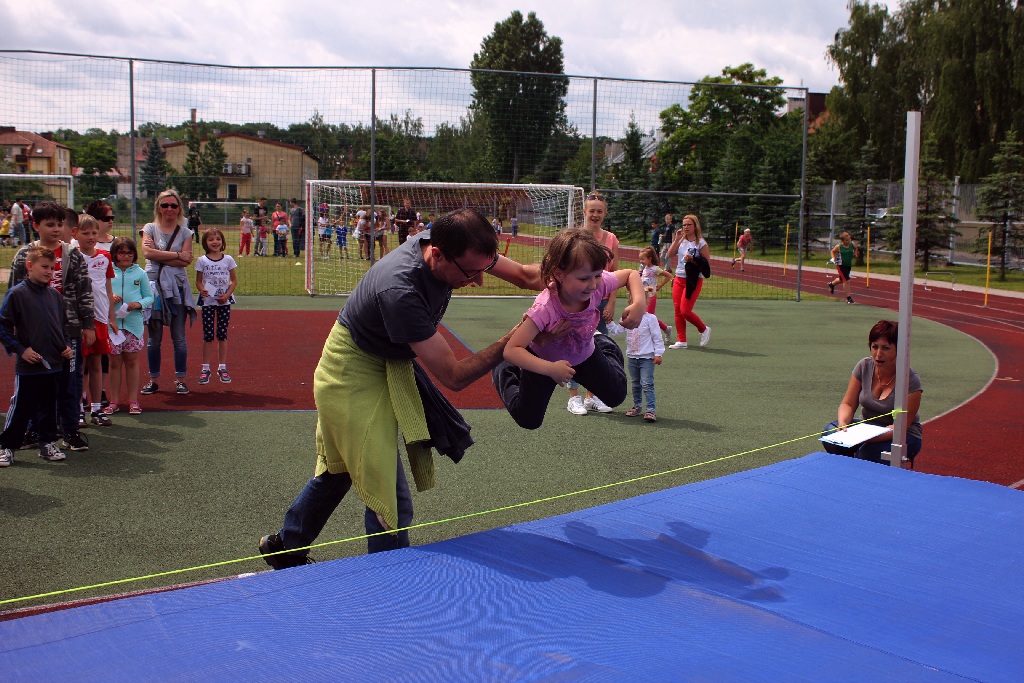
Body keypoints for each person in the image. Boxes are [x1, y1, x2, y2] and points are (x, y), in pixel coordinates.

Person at [258, 208, 545, 568]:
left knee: (340, 469)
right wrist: (518, 339)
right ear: (436, 254)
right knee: (388, 497)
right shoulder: (400, 289)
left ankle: (286, 546)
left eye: (482, 269)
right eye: (470, 273)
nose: (477, 280)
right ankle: (391, 581)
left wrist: (592, 278)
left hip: (384, 360)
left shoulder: (455, 246)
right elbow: (454, 375)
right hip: (350, 373)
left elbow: (524, 275)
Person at [492, 227, 645, 430]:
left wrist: (639, 304)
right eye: (584, 278)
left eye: (597, 275)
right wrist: (550, 369)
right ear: (558, 273)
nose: (592, 285)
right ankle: (501, 369)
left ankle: (603, 343)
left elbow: (630, 274)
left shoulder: (598, 285)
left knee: (616, 395)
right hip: (545, 361)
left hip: (584, 353)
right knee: (528, 419)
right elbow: (512, 350)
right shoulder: (545, 308)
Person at [8, 202, 95, 453]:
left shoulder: (72, 255)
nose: (56, 229)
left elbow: (84, 291)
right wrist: (17, 332)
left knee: (69, 382)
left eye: (59, 224)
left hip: (67, 330)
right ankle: (36, 430)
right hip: (35, 332)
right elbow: (15, 293)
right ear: (35, 226)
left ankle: (70, 430)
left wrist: (87, 324)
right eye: (50, 225)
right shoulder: (24, 256)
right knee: (36, 383)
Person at [0, 246, 75, 466]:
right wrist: (21, 349)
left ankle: (47, 443)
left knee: (49, 406)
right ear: (30, 266)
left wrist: (67, 346)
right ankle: (7, 447)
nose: (49, 272)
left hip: (54, 363)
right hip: (29, 364)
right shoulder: (17, 294)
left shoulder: (54, 296)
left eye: (52, 268)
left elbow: (64, 327)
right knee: (21, 406)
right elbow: (3, 326)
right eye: (44, 267)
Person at [822, 319, 923, 466]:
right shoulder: (864, 366)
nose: (878, 354)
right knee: (830, 433)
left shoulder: (911, 381)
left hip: (902, 435)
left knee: (866, 453)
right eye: (875, 347)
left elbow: (900, 427)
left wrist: (865, 438)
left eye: (886, 348)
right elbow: (848, 404)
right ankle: (849, 473)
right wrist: (843, 423)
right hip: (867, 429)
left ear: (899, 350)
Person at [566, 192, 621, 415]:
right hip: (578, 301)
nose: (595, 215)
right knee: (574, 346)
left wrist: (612, 303)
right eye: (592, 211)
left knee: (598, 348)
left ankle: (592, 396)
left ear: (605, 213)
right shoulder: (576, 236)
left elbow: (615, 273)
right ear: (584, 212)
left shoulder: (611, 239)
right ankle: (574, 397)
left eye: (599, 211)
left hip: (601, 302)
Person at [141, 189, 195, 397]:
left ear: (179, 208)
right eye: (165, 205)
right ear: (158, 208)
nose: (169, 209)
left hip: (177, 288)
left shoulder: (185, 231)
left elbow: (187, 260)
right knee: (154, 338)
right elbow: (147, 253)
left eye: (173, 205)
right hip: (153, 287)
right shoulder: (149, 228)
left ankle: (180, 379)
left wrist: (159, 255)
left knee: (179, 337)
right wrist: (177, 255)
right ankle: (153, 379)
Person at [74, 215, 118, 427]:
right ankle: (79, 408)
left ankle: (97, 409)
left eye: (94, 233)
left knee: (97, 364)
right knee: (80, 365)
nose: (91, 237)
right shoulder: (72, 257)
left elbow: (108, 288)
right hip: (81, 320)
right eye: (86, 233)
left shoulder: (105, 257)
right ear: (75, 234)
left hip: (100, 318)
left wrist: (111, 317)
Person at [105, 237, 152, 416]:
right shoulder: (109, 272)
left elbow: (149, 297)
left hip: (133, 325)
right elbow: (101, 293)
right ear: (115, 254)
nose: (126, 256)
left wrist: (138, 304)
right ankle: (114, 401)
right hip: (113, 326)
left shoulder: (140, 273)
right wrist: (111, 297)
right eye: (121, 252)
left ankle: (133, 401)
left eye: (129, 253)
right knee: (114, 363)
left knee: (132, 362)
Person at [606, 286, 665, 422]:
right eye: (633, 300)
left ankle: (650, 410)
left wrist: (658, 354)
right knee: (635, 383)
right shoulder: (627, 317)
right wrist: (609, 322)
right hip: (632, 357)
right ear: (630, 301)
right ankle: (637, 406)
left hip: (647, 357)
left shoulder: (650, 319)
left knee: (647, 383)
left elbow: (657, 337)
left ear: (646, 302)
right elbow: (616, 331)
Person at [194, 228, 237, 385]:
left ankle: (222, 367)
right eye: (211, 239)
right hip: (208, 302)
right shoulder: (202, 261)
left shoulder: (228, 260)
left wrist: (226, 295)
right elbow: (198, 281)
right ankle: (205, 368)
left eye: (218, 239)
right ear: (205, 242)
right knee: (208, 335)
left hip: (223, 302)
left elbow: (233, 281)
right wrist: (202, 289)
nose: (215, 242)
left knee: (222, 334)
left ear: (222, 242)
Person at [666, 214, 711, 349]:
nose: (685, 227)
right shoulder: (681, 240)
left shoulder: (701, 243)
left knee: (685, 310)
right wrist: (676, 239)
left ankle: (703, 329)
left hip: (693, 280)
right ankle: (682, 340)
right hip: (679, 277)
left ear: (695, 226)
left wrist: (693, 260)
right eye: (684, 225)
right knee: (677, 310)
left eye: (689, 224)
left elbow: (706, 265)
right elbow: (669, 254)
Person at [638, 246, 673, 339]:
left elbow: (668, 276)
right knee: (646, 316)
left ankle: (651, 336)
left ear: (650, 259)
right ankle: (666, 328)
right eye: (640, 259)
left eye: (643, 259)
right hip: (643, 296)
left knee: (649, 317)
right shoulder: (644, 268)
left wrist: (659, 286)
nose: (641, 261)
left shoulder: (655, 269)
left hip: (651, 296)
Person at [828, 231, 859, 304]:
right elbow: (832, 251)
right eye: (846, 240)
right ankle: (849, 298)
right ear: (842, 241)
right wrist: (833, 258)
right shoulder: (839, 246)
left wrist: (855, 253)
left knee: (842, 279)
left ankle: (831, 284)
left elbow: (856, 248)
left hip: (848, 264)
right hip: (840, 265)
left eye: (849, 239)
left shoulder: (852, 244)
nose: (848, 241)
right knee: (846, 280)